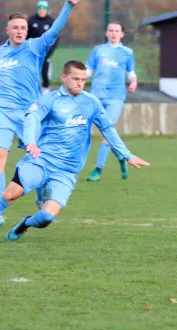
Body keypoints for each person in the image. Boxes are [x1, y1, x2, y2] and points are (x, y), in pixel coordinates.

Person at [0, 60, 149, 242]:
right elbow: (32, 117)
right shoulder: (51, 99)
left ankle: (24, 224)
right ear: (64, 77)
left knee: (46, 218)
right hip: (41, 160)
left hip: (67, 171)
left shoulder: (91, 102)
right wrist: (31, 141)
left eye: (83, 79)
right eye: (75, 78)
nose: (80, 83)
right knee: (10, 194)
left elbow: (107, 128)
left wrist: (127, 155)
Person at [0, 0, 78, 227]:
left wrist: (69, 6)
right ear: (7, 30)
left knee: (40, 156)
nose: (19, 31)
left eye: (23, 28)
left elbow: (55, 30)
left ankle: (42, 192)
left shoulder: (35, 47)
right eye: (15, 27)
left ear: (27, 30)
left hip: (29, 115)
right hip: (3, 113)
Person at [84, 22, 137, 182]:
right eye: (111, 31)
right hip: (97, 96)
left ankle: (98, 169)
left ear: (122, 34)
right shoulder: (98, 50)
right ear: (106, 33)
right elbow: (88, 70)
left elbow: (131, 73)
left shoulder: (127, 52)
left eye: (117, 31)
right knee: (100, 132)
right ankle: (121, 158)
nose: (114, 33)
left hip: (116, 97)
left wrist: (133, 81)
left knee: (107, 132)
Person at [26, 1, 57, 95]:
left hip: (45, 53)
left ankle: (46, 90)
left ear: (47, 10)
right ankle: (31, 90)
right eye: (40, 8)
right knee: (31, 72)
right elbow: (26, 36)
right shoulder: (30, 20)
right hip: (32, 52)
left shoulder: (51, 22)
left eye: (44, 8)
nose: (42, 10)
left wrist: (49, 53)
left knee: (45, 72)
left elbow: (55, 39)